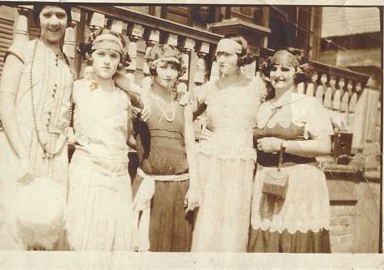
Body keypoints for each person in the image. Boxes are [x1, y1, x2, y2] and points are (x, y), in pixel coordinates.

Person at [0, 4, 75, 250]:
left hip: (53, 153)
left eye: (60, 16)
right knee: (11, 226)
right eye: (47, 15)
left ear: (68, 21)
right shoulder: (22, 51)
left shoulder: (68, 64)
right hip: (18, 147)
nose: (54, 22)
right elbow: (5, 103)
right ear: (37, 18)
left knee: (47, 224)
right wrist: (22, 155)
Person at [248, 49, 333, 253]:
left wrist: (282, 145)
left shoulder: (308, 104)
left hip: (299, 183)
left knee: (294, 242)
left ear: (296, 73)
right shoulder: (262, 106)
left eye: (285, 69)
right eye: (274, 69)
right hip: (265, 181)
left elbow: (324, 146)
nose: (278, 74)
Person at [191, 35, 266, 252]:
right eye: (218, 54)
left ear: (241, 57)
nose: (221, 59)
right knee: (208, 220)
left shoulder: (257, 86)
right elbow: (185, 116)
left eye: (227, 54)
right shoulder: (209, 88)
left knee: (234, 220)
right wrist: (200, 134)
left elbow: (282, 104)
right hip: (211, 160)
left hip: (240, 162)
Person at [65, 29, 136, 251]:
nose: (107, 61)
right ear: (90, 56)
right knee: (85, 240)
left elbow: (130, 138)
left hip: (118, 177)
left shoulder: (124, 97)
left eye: (113, 56)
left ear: (120, 60)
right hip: (88, 174)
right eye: (101, 54)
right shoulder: (77, 88)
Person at [131, 44, 198, 252]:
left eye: (174, 67)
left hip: (179, 187)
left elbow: (190, 145)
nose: (169, 73)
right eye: (163, 66)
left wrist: (195, 187)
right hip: (150, 185)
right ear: (152, 67)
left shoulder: (183, 103)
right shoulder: (141, 98)